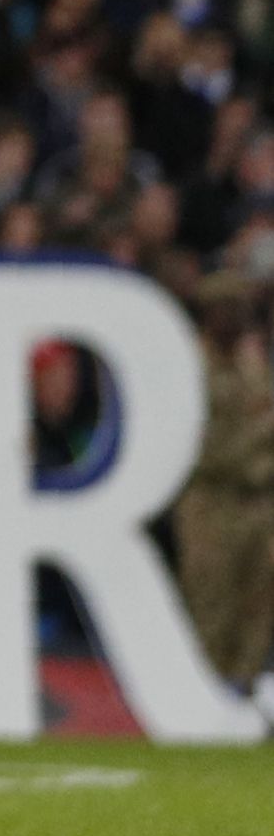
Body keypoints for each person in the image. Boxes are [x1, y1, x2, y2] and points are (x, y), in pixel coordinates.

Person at [177, 274, 271, 691]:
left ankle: (243, 699)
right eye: (226, 309)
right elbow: (208, 443)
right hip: (210, 498)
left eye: (241, 309)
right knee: (210, 605)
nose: (236, 318)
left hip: (258, 501)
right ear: (209, 314)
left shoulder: (254, 363)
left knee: (257, 608)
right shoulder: (192, 365)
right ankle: (202, 698)